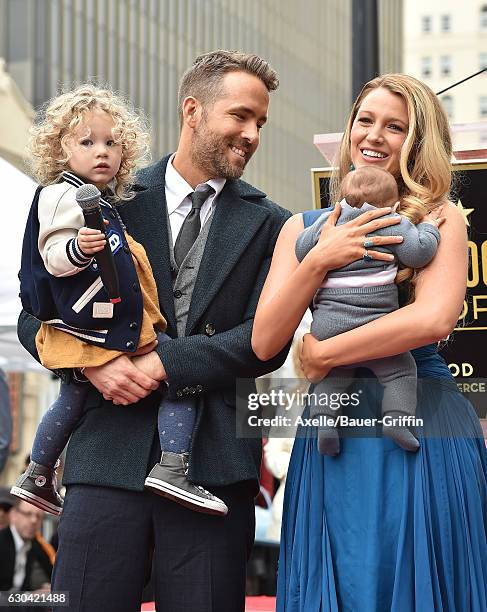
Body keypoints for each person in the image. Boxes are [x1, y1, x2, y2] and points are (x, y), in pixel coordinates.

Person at [17, 50, 291, 612]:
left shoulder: (272, 223)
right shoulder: (98, 193)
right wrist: (93, 362)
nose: (251, 134)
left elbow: (265, 343)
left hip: (214, 467)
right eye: (239, 116)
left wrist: (163, 363)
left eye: (260, 123)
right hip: (104, 454)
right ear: (193, 110)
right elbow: (32, 310)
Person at [252, 74, 487, 610]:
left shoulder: (439, 220)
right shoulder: (301, 228)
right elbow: (266, 341)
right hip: (336, 428)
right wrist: (319, 260)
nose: (374, 136)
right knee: (344, 576)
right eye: (365, 120)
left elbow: (432, 319)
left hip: (421, 418)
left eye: (395, 126)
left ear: (417, 141)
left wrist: (322, 353)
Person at [11, 84, 228, 517]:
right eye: (87, 142)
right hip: (97, 322)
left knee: (71, 399)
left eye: (111, 143)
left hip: (92, 320)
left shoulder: (99, 200)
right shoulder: (63, 195)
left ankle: (37, 473)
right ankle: (173, 467)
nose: (102, 152)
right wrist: (78, 250)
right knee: (178, 373)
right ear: (61, 149)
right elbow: (52, 253)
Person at [295, 165, 442, 456]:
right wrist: (429, 229)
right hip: (374, 327)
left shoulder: (330, 222)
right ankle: (397, 419)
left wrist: (321, 243)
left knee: (332, 376)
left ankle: (324, 421)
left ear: (342, 201)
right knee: (401, 370)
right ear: (395, 204)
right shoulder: (393, 221)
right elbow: (418, 253)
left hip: (328, 327)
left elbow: (302, 251)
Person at [0, 499, 53, 596]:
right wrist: (29, 596)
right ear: (13, 515)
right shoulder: (2, 541)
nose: (34, 520)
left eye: (39, 516)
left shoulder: (36, 545)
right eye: (28, 514)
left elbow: (50, 571)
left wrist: (46, 586)